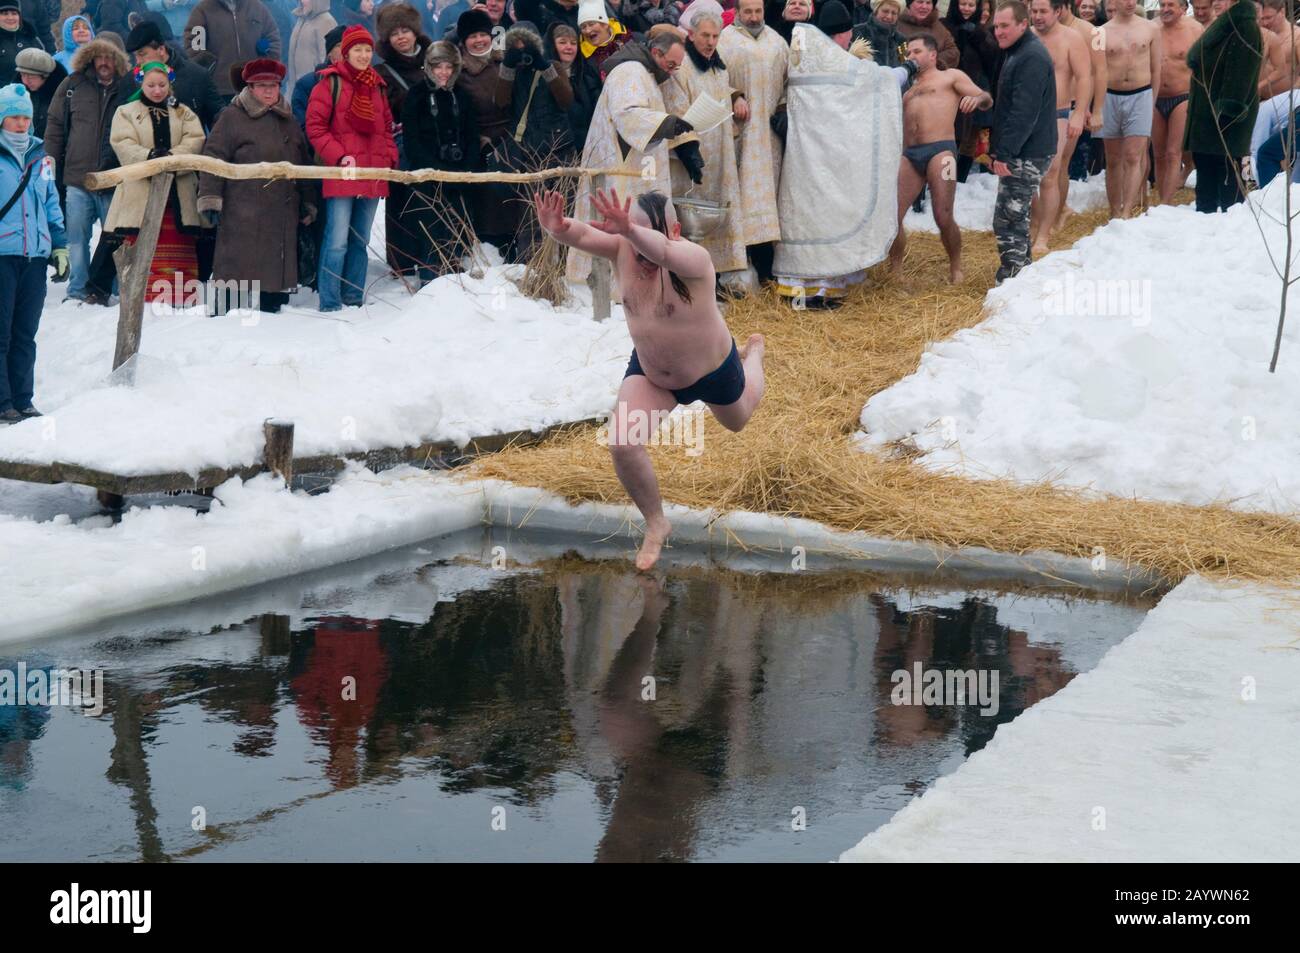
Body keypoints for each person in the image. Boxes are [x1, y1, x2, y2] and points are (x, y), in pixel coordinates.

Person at [537, 186, 765, 570]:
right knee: (623, 443)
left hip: (711, 369)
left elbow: (660, 252)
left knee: (738, 419)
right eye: (627, 232)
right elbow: (582, 234)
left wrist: (630, 230)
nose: (638, 249)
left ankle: (754, 355)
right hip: (654, 372)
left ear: (672, 230)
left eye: (641, 233)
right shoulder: (623, 248)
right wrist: (557, 228)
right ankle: (657, 523)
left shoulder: (693, 259)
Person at [773, 21, 903, 305]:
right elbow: (879, 80)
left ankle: (799, 289)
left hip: (802, 158)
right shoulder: (836, 62)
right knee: (824, 217)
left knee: (805, 214)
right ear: (841, 34)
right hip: (823, 157)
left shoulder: (800, 58)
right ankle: (822, 288)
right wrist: (908, 69)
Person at [564, 29, 689, 284]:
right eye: (671, 64)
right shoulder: (629, 71)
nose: (673, 70)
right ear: (655, 53)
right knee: (617, 227)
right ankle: (610, 288)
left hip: (634, 162)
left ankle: (634, 283)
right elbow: (627, 114)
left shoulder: (647, 72)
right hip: (617, 166)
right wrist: (666, 124)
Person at [198, 58, 315, 314]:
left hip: (281, 208)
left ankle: (271, 312)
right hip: (241, 208)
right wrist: (209, 196)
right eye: (262, 85)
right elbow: (213, 156)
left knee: (274, 265)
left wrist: (308, 201)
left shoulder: (288, 119)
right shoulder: (231, 117)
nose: (269, 90)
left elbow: (301, 160)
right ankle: (227, 316)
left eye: (273, 85)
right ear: (249, 87)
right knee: (236, 264)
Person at [305, 23, 397, 309]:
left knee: (360, 240)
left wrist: (389, 159)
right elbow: (315, 127)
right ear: (345, 52)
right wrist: (339, 156)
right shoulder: (329, 83)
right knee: (337, 240)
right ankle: (330, 300)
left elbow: (387, 130)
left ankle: (353, 296)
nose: (363, 55)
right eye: (358, 49)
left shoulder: (378, 86)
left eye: (368, 49)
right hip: (343, 171)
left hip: (372, 171)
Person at [103, 59, 207, 305]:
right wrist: (148, 157)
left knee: (179, 242)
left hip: (178, 190)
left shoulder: (182, 111)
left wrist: (172, 158)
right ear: (142, 84)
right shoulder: (126, 112)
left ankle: (183, 299)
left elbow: (196, 137)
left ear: (169, 85)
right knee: (142, 243)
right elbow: (122, 143)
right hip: (140, 190)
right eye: (151, 85)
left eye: (162, 85)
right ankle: (144, 299)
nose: (157, 90)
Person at [888, 34, 990, 282]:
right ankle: (895, 271)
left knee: (943, 216)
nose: (911, 56)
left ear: (932, 55)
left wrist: (975, 99)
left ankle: (956, 266)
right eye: (909, 53)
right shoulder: (907, 88)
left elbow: (987, 98)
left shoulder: (950, 77)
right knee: (892, 216)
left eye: (917, 51)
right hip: (910, 154)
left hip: (941, 152)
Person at [43, 32, 131, 302]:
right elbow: (55, 127)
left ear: (118, 59)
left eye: (109, 56)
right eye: (99, 55)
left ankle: (113, 290)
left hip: (114, 179)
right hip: (77, 177)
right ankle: (78, 289)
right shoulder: (72, 85)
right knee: (77, 240)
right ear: (91, 57)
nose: (104, 61)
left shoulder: (128, 89)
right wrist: (50, 170)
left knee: (115, 240)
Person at [662, 1, 746, 284]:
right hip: (690, 156)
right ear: (691, 35)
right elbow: (675, 106)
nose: (710, 42)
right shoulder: (682, 67)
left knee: (716, 215)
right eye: (705, 36)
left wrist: (735, 95)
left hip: (718, 153)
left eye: (715, 36)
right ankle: (684, 278)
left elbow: (720, 91)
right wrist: (688, 148)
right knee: (689, 220)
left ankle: (711, 278)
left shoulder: (718, 67)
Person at [0, 83, 66, 425]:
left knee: (25, 332)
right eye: (14, 117)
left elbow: (51, 203)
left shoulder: (41, 157)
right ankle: (2, 401)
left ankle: (23, 400)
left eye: (25, 117)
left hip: (34, 256)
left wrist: (59, 245)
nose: (22, 123)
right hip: (3, 255)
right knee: (2, 332)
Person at [717, 0, 785, 283]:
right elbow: (712, 78)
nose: (754, 17)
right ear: (738, 13)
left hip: (769, 137)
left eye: (758, 12)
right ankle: (739, 265)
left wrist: (782, 113)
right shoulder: (724, 40)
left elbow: (787, 84)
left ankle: (768, 268)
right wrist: (733, 95)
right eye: (748, 12)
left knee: (769, 201)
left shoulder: (778, 42)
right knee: (741, 197)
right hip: (739, 133)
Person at [989, 0, 1056, 284]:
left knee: (1009, 219)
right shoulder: (1018, 51)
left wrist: (1004, 153)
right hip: (1023, 148)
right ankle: (1021, 277)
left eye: (1005, 26)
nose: (999, 32)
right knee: (1014, 216)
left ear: (1022, 24)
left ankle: (1013, 281)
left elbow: (1023, 113)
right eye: (995, 27)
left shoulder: (1031, 56)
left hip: (1027, 151)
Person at [402, 38, 478, 281]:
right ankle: (429, 278)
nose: (444, 73)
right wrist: (434, 169)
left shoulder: (462, 96)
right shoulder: (416, 95)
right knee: (430, 229)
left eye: (449, 67)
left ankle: (455, 280)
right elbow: (411, 139)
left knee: (456, 228)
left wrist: (466, 167)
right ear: (429, 67)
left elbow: (471, 135)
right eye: (438, 67)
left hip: (458, 175)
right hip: (427, 176)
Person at [1184, 0, 1262, 211]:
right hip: (1206, 118)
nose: (1216, 2)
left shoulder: (1244, 27)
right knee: (1207, 181)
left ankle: (1228, 234)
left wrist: (1228, 111)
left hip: (1226, 122)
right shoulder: (1224, 25)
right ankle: (1205, 227)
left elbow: (1241, 74)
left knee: (1230, 185)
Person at [373, 1, 431, 276]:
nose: (401, 37)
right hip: (402, 144)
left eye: (405, 30)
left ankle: (433, 256)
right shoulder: (382, 72)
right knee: (401, 202)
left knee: (431, 199)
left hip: (433, 142)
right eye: (394, 32)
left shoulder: (434, 61)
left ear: (415, 31)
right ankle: (403, 262)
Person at [1027, 0, 1088, 256]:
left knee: (1050, 173)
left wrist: (1079, 112)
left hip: (1058, 112)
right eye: (1034, 11)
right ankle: (1032, 225)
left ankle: (1043, 235)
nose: (1038, 16)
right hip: (1026, 114)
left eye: (1043, 11)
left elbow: (1085, 76)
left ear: (1057, 11)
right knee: (1027, 175)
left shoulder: (1071, 38)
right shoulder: (1025, 36)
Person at [1100, 0, 1160, 218]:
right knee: (1113, 158)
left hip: (1141, 93)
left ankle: (1127, 211)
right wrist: (1095, 106)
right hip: (1110, 95)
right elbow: (1095, 72)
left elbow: (1156, 68)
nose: (1129, 2)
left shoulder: (1150, 28)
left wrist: (1151, 101)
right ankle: (1114, 211)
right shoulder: (1101, 32)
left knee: (1134, 156)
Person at [124, 20, 225, 130]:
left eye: (142, 54)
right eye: (135, 56)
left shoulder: (197, 76)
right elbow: (120, 128)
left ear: (161, 49)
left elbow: (219, 121)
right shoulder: (130, 81)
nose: (138, 61)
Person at [1150, 0, 1199, 202]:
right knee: (1159, 154)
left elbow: (1204, 65)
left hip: (1183, 96)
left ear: (1183, 8)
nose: (1165, 9)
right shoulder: (1151, 28)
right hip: (1155, 97)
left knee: (1173, 152)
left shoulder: (1195, 30)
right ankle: (1162, 197)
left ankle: (1166, 203)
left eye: (1170, 5)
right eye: (1162, 5)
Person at [184, 0, 282, 97]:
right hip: (219, 89)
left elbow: (273, 39)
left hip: (254, 86)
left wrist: (266, 70)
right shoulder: (203, 9)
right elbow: (193, 47)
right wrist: (210, 68)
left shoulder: (257, 7)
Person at [292, 21, 345, 126]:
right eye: (339, 45)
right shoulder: (307, 85)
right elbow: (303, 126)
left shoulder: (367, 81)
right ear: (329, 53)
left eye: (349, 45)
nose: (345, 50)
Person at [13, 46, 64, 136]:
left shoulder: (64, 99)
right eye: (22, 75)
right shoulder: (14, 96)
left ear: (46, 76)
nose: (26, 81)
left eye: (32, 77)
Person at [1256, 0, 1300, 100]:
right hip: (1257, 99)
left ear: (1282, 12)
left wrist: (1289, 98)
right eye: (1261, 19)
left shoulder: (1297, 37)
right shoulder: (1261, 35)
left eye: (1268, 18)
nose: (1265, 22)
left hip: (1284, 102)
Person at [896, 0, 958, 69]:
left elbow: (953, 51)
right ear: (909, 4)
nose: (924, 6)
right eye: (920, 2)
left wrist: (933, 61)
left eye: (928, 3)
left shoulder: (939, 27)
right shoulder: (896, 24)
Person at [289, 0, 337, 86]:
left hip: (314, 89)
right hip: (298, 88)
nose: (302, 1)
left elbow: (328, 60)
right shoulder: (301, 19)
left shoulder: (326, 22)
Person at [0, 2, 46, 86]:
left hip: (31, 96)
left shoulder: (30, 37)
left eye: (14, 13)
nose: (10, 17)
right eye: (5, 13)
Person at [855, 0, 907, 67]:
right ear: (876, 11)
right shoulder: (858, 32)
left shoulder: (901, 40)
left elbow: (903, 67)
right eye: (885, 11)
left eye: (894, 13)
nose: (889, 17)